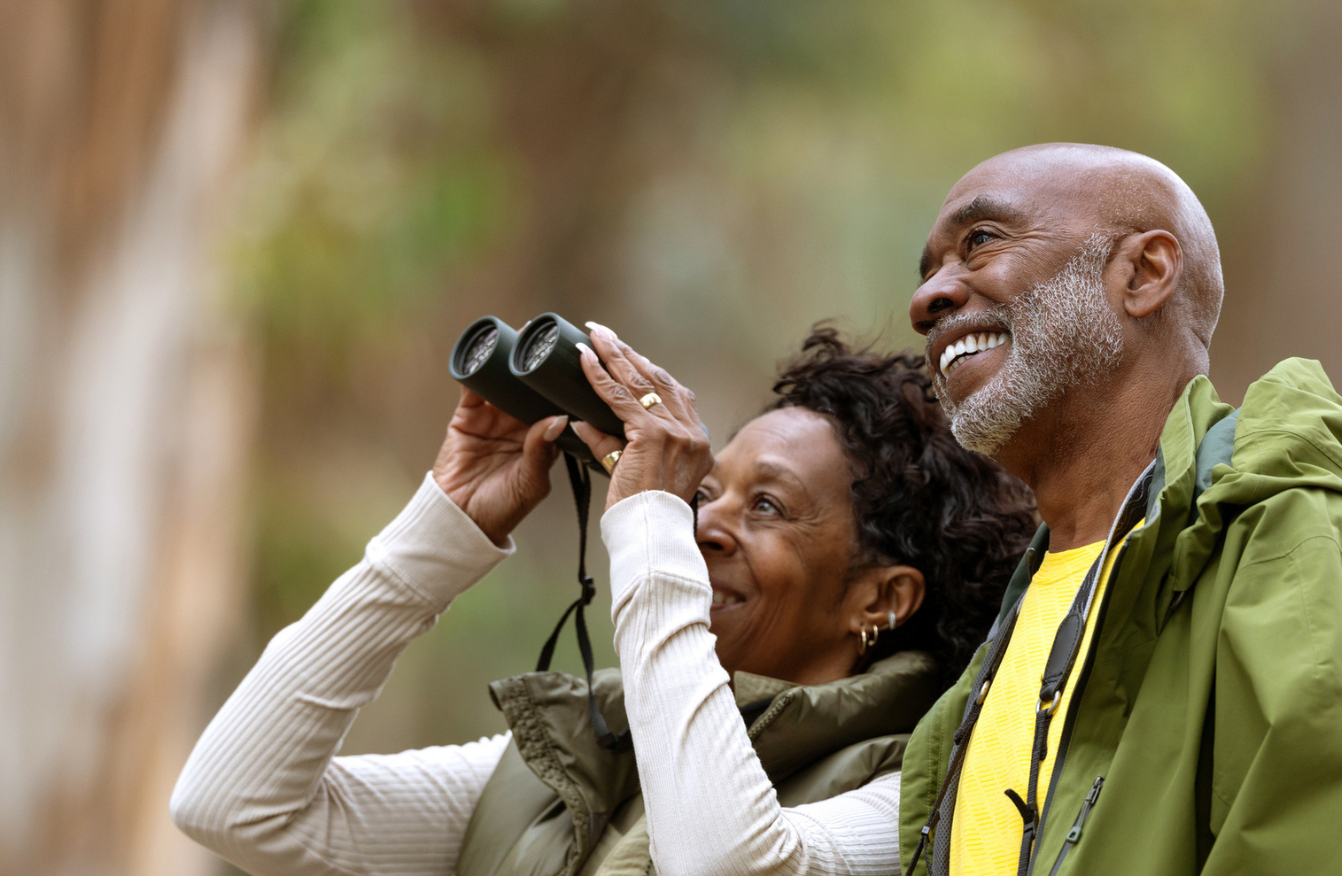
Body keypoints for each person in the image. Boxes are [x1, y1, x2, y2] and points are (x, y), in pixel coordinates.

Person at [571, 143, 1342, 876]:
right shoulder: (1008, 644)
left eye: (981, 244)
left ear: (1143, 274)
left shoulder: (1300, 544)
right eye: (928, 268)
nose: (928, 296)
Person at [169, 327, 1037, 876]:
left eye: (764, 506)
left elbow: (724, 864)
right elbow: (234, 803)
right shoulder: (573, 764)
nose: (707, 527)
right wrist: (441, 532)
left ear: (879, 599)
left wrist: (653, 524)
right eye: (705, 493)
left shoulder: (916, 795)